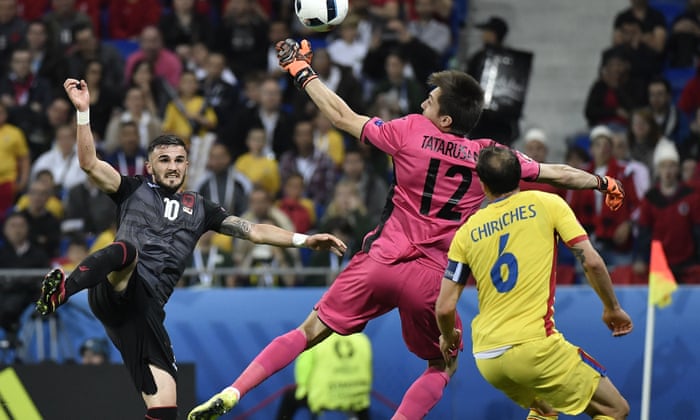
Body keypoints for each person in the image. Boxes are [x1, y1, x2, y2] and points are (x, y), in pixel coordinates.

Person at [188, 39, 626, 420]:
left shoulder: (409, 132)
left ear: (445, 119)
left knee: (306, 332)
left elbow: (342, 116)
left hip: (380, 261)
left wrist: (301, 71)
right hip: (431, 281)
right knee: (442, 366)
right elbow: (555, 172)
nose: (421, 106)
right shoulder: (486, 155)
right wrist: (601, 182)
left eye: (429, 102)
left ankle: (235, 390)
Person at [35, 78, 347, 420]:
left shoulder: (201, 208)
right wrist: (83, 112)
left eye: (179, 160)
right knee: (126, 250)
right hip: (117, 287)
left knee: (165, 408)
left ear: (187, 165)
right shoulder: (132, 189)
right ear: (150, 166)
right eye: (164, 160)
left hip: (146, 310)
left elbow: (254, 231)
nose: (172, 166)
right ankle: (62, 291)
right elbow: (89, 164)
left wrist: (304, 239)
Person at [435, 146, 633, 420]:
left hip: (488, 358)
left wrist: (448, 337)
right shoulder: (546, 203)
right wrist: (612, 308)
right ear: (519, 175)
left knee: (544, 410)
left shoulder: (466, 232)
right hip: (534, 347)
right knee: (615, 409)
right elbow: (592, 262)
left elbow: (444, 307)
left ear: (483, 185)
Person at [276, 332, 372, 420]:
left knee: (289, 398)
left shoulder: (316, 339)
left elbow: (303, 369)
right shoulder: (362, 339)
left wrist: (302, 389)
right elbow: (367, 369)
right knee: (361, 407)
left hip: (323, 396)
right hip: (356, 396)